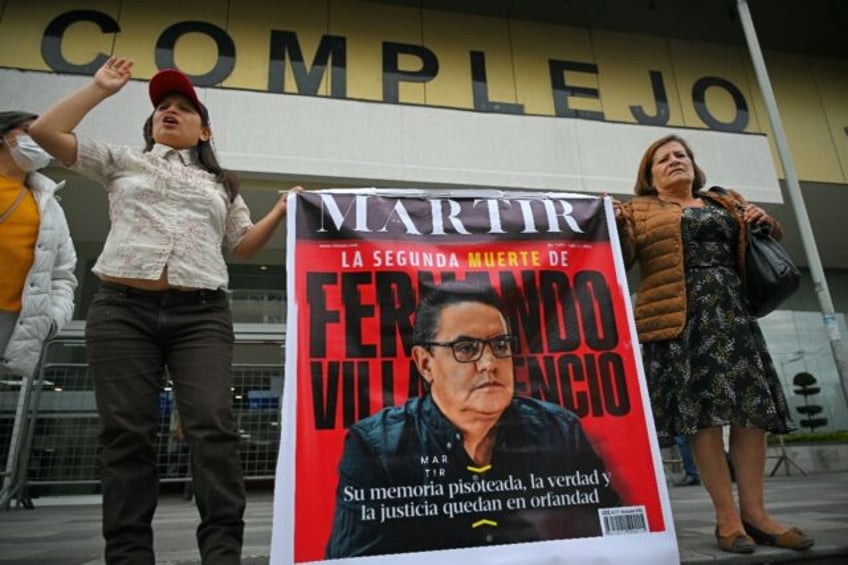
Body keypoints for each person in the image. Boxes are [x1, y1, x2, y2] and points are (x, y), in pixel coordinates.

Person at [30, 58, 298, 565]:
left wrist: (281, 213)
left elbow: (241, 246)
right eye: (161, 109)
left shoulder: (223, 185)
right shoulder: (121, 161)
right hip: (122, 311)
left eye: (182, 107)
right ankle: (129, 556)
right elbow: (47, 131)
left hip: (201, 314)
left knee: (212, 426)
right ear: (151, 125)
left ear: (204, 128)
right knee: (126, 433)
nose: (169, 112)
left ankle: (223, 553)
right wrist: (100, 88)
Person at [612, 134, 813, 554]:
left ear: (693, 164)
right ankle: (727, 520)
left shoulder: (724, 201)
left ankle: (757, 515)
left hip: (733, 315)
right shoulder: (637, 210)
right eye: (663, 158)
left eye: (681, 155)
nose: (675, 161)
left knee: (750, 413)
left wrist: (763, 219)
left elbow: (764, 241)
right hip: (679, 322)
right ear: (649, 175)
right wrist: (614, 223)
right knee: (703, 419)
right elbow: (622, 256)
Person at [325, 280, 621, 558]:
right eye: (466, 348)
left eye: (501, 345)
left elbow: (612, 543)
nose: (490, 364)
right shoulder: (376, 448)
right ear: (425, 363)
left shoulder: (560, 431)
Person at [1, 111, 77, 494]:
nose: (39, 141)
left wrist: (52, 319)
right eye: (28, 133)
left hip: (15, 323)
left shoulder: (48, 204)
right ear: (4, 137)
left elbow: (64, 273)